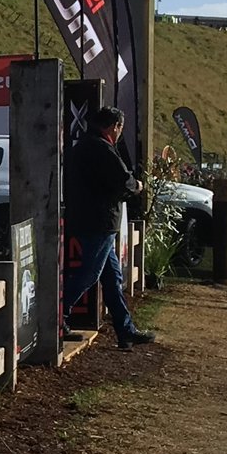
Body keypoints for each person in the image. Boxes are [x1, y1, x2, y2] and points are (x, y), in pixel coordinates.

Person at [61, 105, 154, 347]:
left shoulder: (83, 146)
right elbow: (123, 179)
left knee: (112, 279)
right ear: (114, 127)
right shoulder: (102, 149)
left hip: (87, 218)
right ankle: (57, 316)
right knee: (88, 274)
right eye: (120, 128)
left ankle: (125, 331)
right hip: (99, 221)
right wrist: (138, 186)